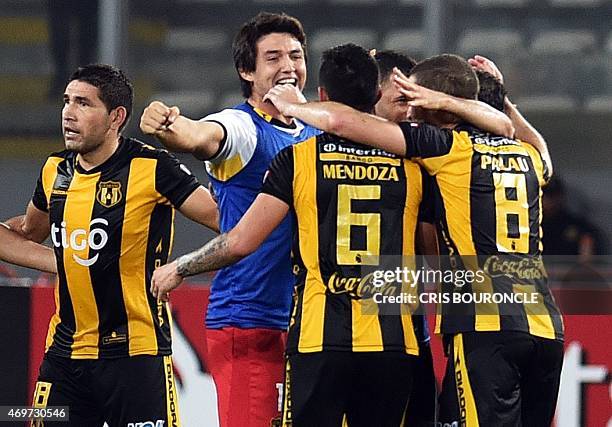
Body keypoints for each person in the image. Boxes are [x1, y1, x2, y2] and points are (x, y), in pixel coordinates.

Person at [264, 53, 564, 427]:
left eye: (417, 101)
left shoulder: (445, 149)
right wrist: (501, 99)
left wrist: (294, 106)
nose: (412, 112)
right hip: (545, 324)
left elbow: (344, 122)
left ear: (443, 107)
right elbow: (536, 145)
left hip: (484, 327)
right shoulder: (530, 156)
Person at [150, 43, 427, 427]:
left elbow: (241, 240)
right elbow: (430, 247)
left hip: (320, 336)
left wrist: (182, 266)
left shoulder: (297, 159)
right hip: (394, 338)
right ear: (378, 94)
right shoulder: (414, 163)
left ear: (322, 96)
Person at [5, 64, 218, 426]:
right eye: (67, 101)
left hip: (137, 357)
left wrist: (185, 266)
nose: (68, 114)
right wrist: (68, 262)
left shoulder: (152, 167)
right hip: (64, 358)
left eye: (84, 104)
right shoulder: (54, 169)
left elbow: (232, 224)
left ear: (116, 116)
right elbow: (26, 231)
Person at [139, 12, 320, 427]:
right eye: (272, 58)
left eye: (296, 55)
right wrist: (171, 128)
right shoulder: (243, 128)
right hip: (251, 321)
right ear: (246, 70)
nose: (288, 66)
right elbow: (202, 136)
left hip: (307, 324)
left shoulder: (313, 125)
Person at [373, 49, 437, 427]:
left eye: (416, 101)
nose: (411, 112)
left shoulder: (425, 156)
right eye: (401, 100)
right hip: (360, 333)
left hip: (411, 325)